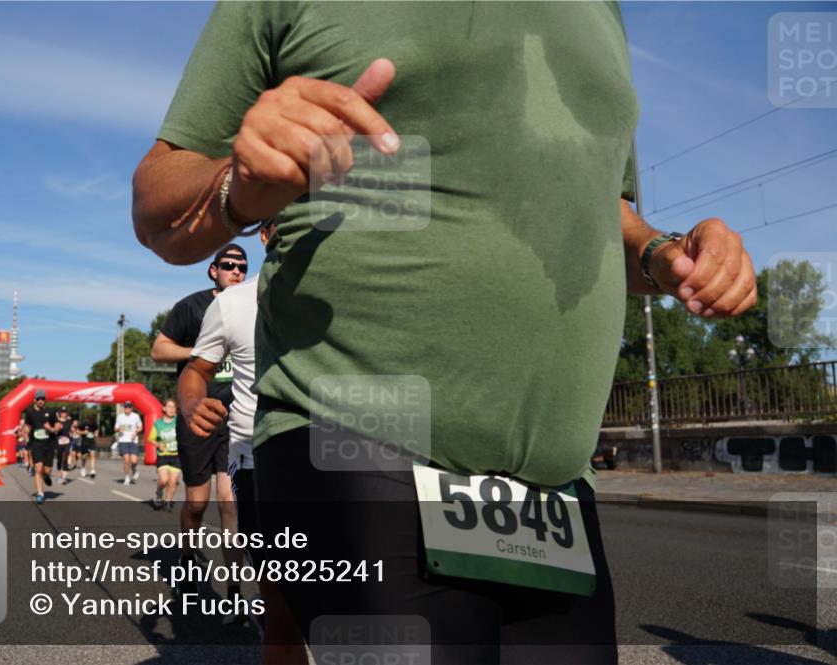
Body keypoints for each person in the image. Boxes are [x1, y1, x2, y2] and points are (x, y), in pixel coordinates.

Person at [132, 4, 758, 662]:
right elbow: (157, 204)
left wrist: (666, 254)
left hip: (552, 481)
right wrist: (242, 180)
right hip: (356, 431)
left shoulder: (602, 11)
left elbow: (604, 213)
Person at [179, 222, 293, 631]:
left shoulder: (351, 294)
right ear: (266, 234)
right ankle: (231, 591)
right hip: (254, 453)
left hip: (342, 456)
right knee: (279, 604)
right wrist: (193, 404)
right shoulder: (231, 303)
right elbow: (196, 370)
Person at [151, 244, 245, 582]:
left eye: (242, 267)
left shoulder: (250, 306)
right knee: (196, 503)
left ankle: (234, 588)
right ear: (213, 270)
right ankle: (188, 556)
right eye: (229, 265)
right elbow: (159, 349)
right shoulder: (192, 307)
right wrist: (202, 352)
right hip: (197, 418)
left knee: (230, 502)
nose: (237, 271)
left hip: (235, 420)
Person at [23, 389, 60, 504]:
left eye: (42, 399)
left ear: (45, 400)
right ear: (35, 400)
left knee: (47, 470)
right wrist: (25, 432)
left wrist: (52, 429)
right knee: (38, 468)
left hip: (49, 444)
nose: (40, 401)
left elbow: (58, 425)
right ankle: (40, 493)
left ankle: (45, 475)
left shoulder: (51, 412)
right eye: (38, 399)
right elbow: (27, 425)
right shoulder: (30, 412)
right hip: (36, 444)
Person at [147, 398, 182, 510]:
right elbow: (150, 438)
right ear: (164, 408)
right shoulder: (158, 424)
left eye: (174, 407)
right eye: (169, 407)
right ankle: (158, 492)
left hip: (176, 456)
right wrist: (157, 444)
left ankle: (167, 503)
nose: (172, 409)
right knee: (164, 480)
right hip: (163, 455)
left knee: (173, 481)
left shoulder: (179, 421)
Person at [114, 402, 143, 485]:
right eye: (126, 406)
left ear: (132, 408)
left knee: (134, 461)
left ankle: (134, 469)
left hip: (133, 440)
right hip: (123, 440)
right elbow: (115, 428)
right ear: (124, 408)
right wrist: (119, 430)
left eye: (129, 406)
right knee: (126, 460)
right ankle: (127, 477)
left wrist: (136, 432)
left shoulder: (136, 416)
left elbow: (140, 427)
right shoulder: (120, 417)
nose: (128, 408)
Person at [55, 407, 74, 485]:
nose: (64, 414)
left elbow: (72, 426)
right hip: (59, 442)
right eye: (62, 412)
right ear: (60, 413)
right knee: (59, 458)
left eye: (65, 412)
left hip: (67, 442)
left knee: (65, 458)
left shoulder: (69, 420)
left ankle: (64, 478)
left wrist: (72, 430)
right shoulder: (57, 421)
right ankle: (59, 474)